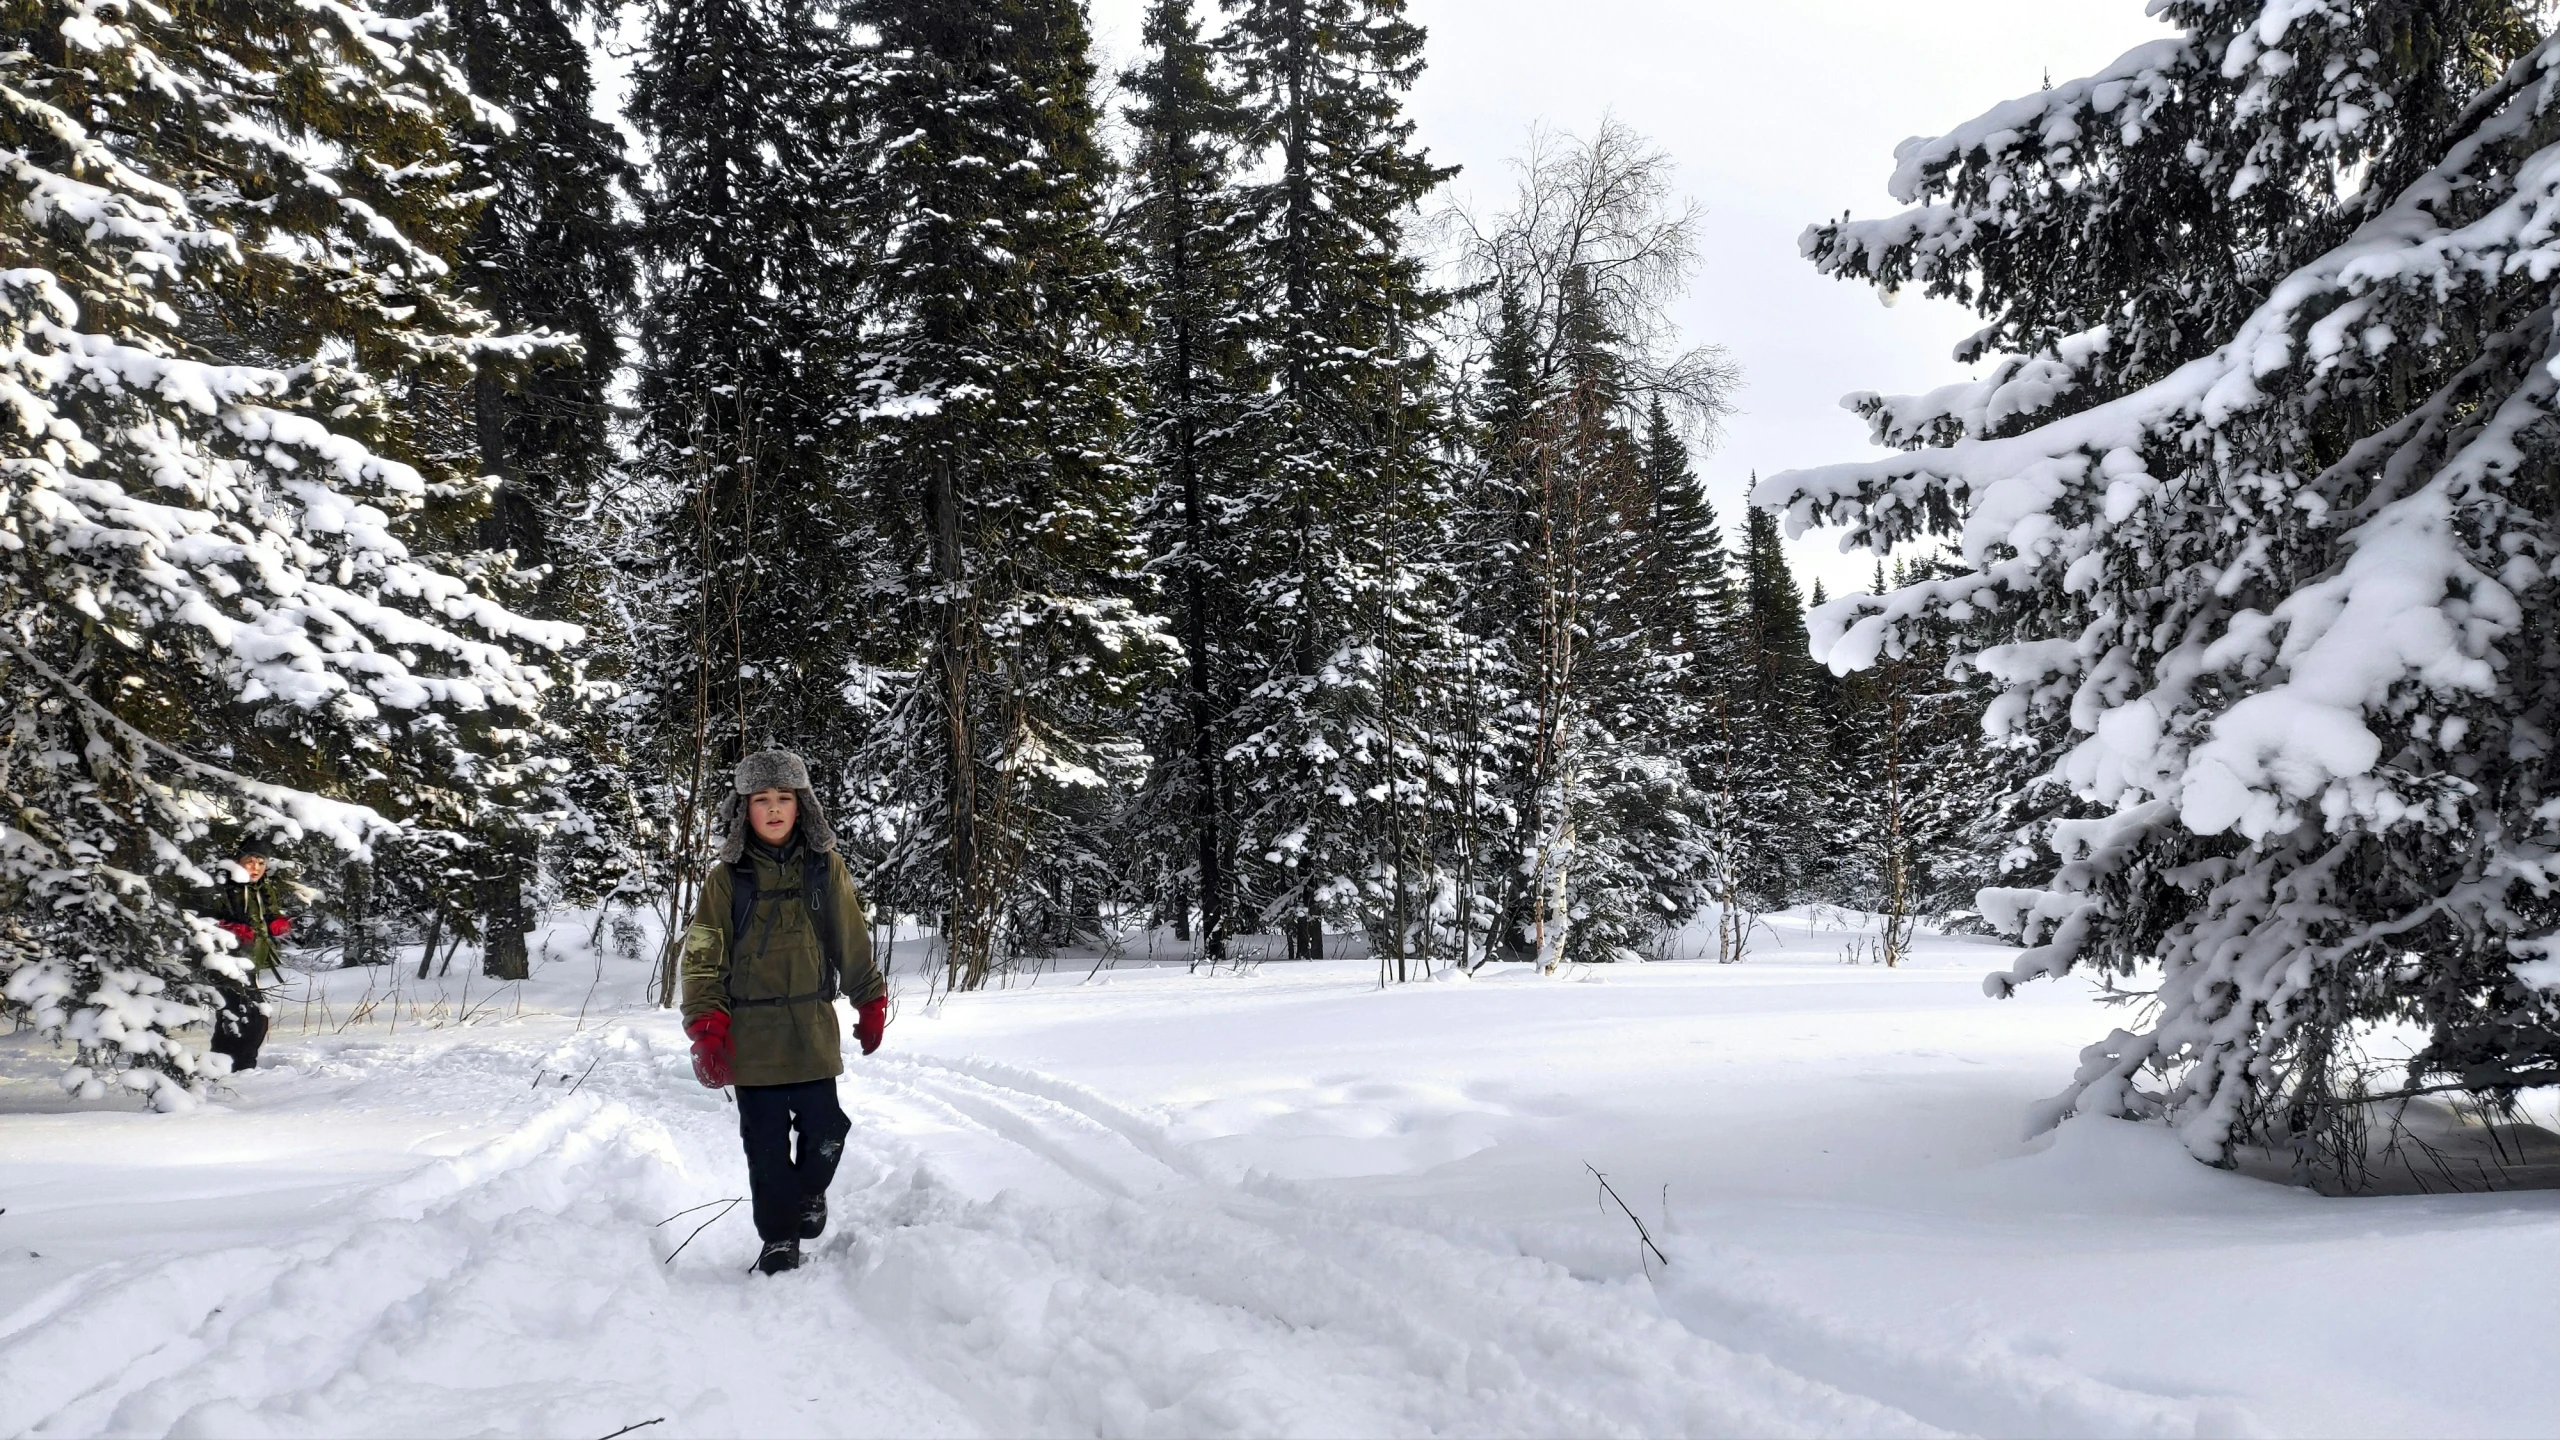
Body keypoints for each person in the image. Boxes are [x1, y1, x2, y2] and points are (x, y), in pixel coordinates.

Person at [682, 750, 892, 1275]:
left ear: (802, 806)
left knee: (827, 1128)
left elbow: (850, 938)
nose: (774, 809)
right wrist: (707, 1030)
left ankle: (809, 1194)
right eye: (761, 800)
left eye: (784, 798)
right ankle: (778, 1239)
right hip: (750, 1038)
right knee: (766, 1149)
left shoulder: (826, 866)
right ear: (743, 809)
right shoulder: (727, 879)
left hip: (812, 1029)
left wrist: (870, 1000)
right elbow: (704, 956)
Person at [206, 850, 292, 1072]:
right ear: (237, 862)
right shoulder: (224, 885)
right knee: (251, 1015)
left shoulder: (260, 888)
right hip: (223, 961)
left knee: (239, 1014)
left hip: (247, 962)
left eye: (261, 862)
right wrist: (227, 927)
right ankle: (242, 1066)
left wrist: (276, 922)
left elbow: (269, 911)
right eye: (250, 861)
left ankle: (222, 1065)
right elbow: (204, 914)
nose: (255, 867)